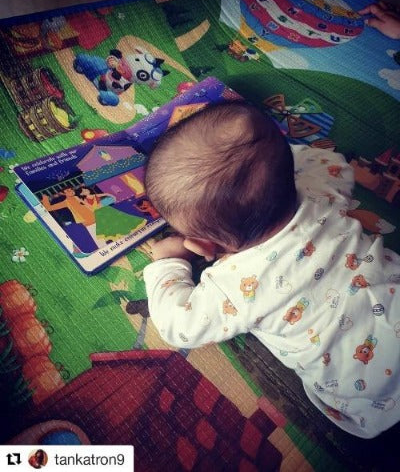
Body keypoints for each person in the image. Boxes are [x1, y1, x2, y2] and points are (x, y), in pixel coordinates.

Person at [143, 101, 400, 439]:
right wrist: (268, 160)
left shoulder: (231, 286)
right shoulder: (320, 190)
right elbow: (327, 160)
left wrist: (167, 263)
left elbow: (178, 326)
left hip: (372, 397)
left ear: (206, 246)